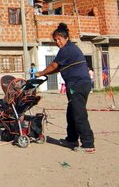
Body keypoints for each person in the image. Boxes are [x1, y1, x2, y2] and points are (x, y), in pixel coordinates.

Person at [36, 23, 95, 153]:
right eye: (55, 40)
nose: (57, 42)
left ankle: (88, 144)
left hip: (77, 85)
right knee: (71, 113)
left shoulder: (66, 49)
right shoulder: (69, 49)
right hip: (78, 84)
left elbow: (53, 65)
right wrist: (43, 74)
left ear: (66, 38)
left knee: (79, 114)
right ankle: (71, 139)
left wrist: (40, 73)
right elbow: (56, 68)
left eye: (59, 39)